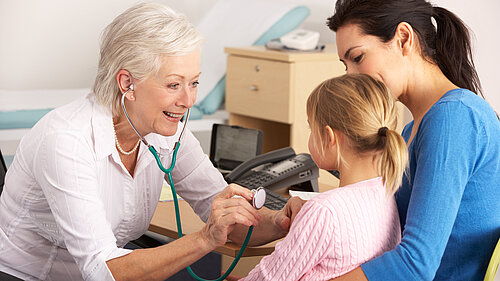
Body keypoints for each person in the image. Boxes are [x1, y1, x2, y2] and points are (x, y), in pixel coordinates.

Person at [0, 3, 302, 281]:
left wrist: (279, 221)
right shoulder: (67, 141)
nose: (188, 101)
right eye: (173, 85)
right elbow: (101, 270)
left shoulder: (165, 132)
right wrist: (203, 239)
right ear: (127, 84)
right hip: (27, 275)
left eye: (193, 82)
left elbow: (228, 218)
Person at [325, 0, 500, 280]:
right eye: (346, 66)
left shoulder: (454, 118)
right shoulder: (409, 131)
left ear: (403, 39)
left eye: (357, 58)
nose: (352, 79)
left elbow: (415, 264)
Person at [236, 74, 408, 280]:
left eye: (311, 127)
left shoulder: (324, 212)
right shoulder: (387, 192)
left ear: (329, 137)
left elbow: (268, 278)